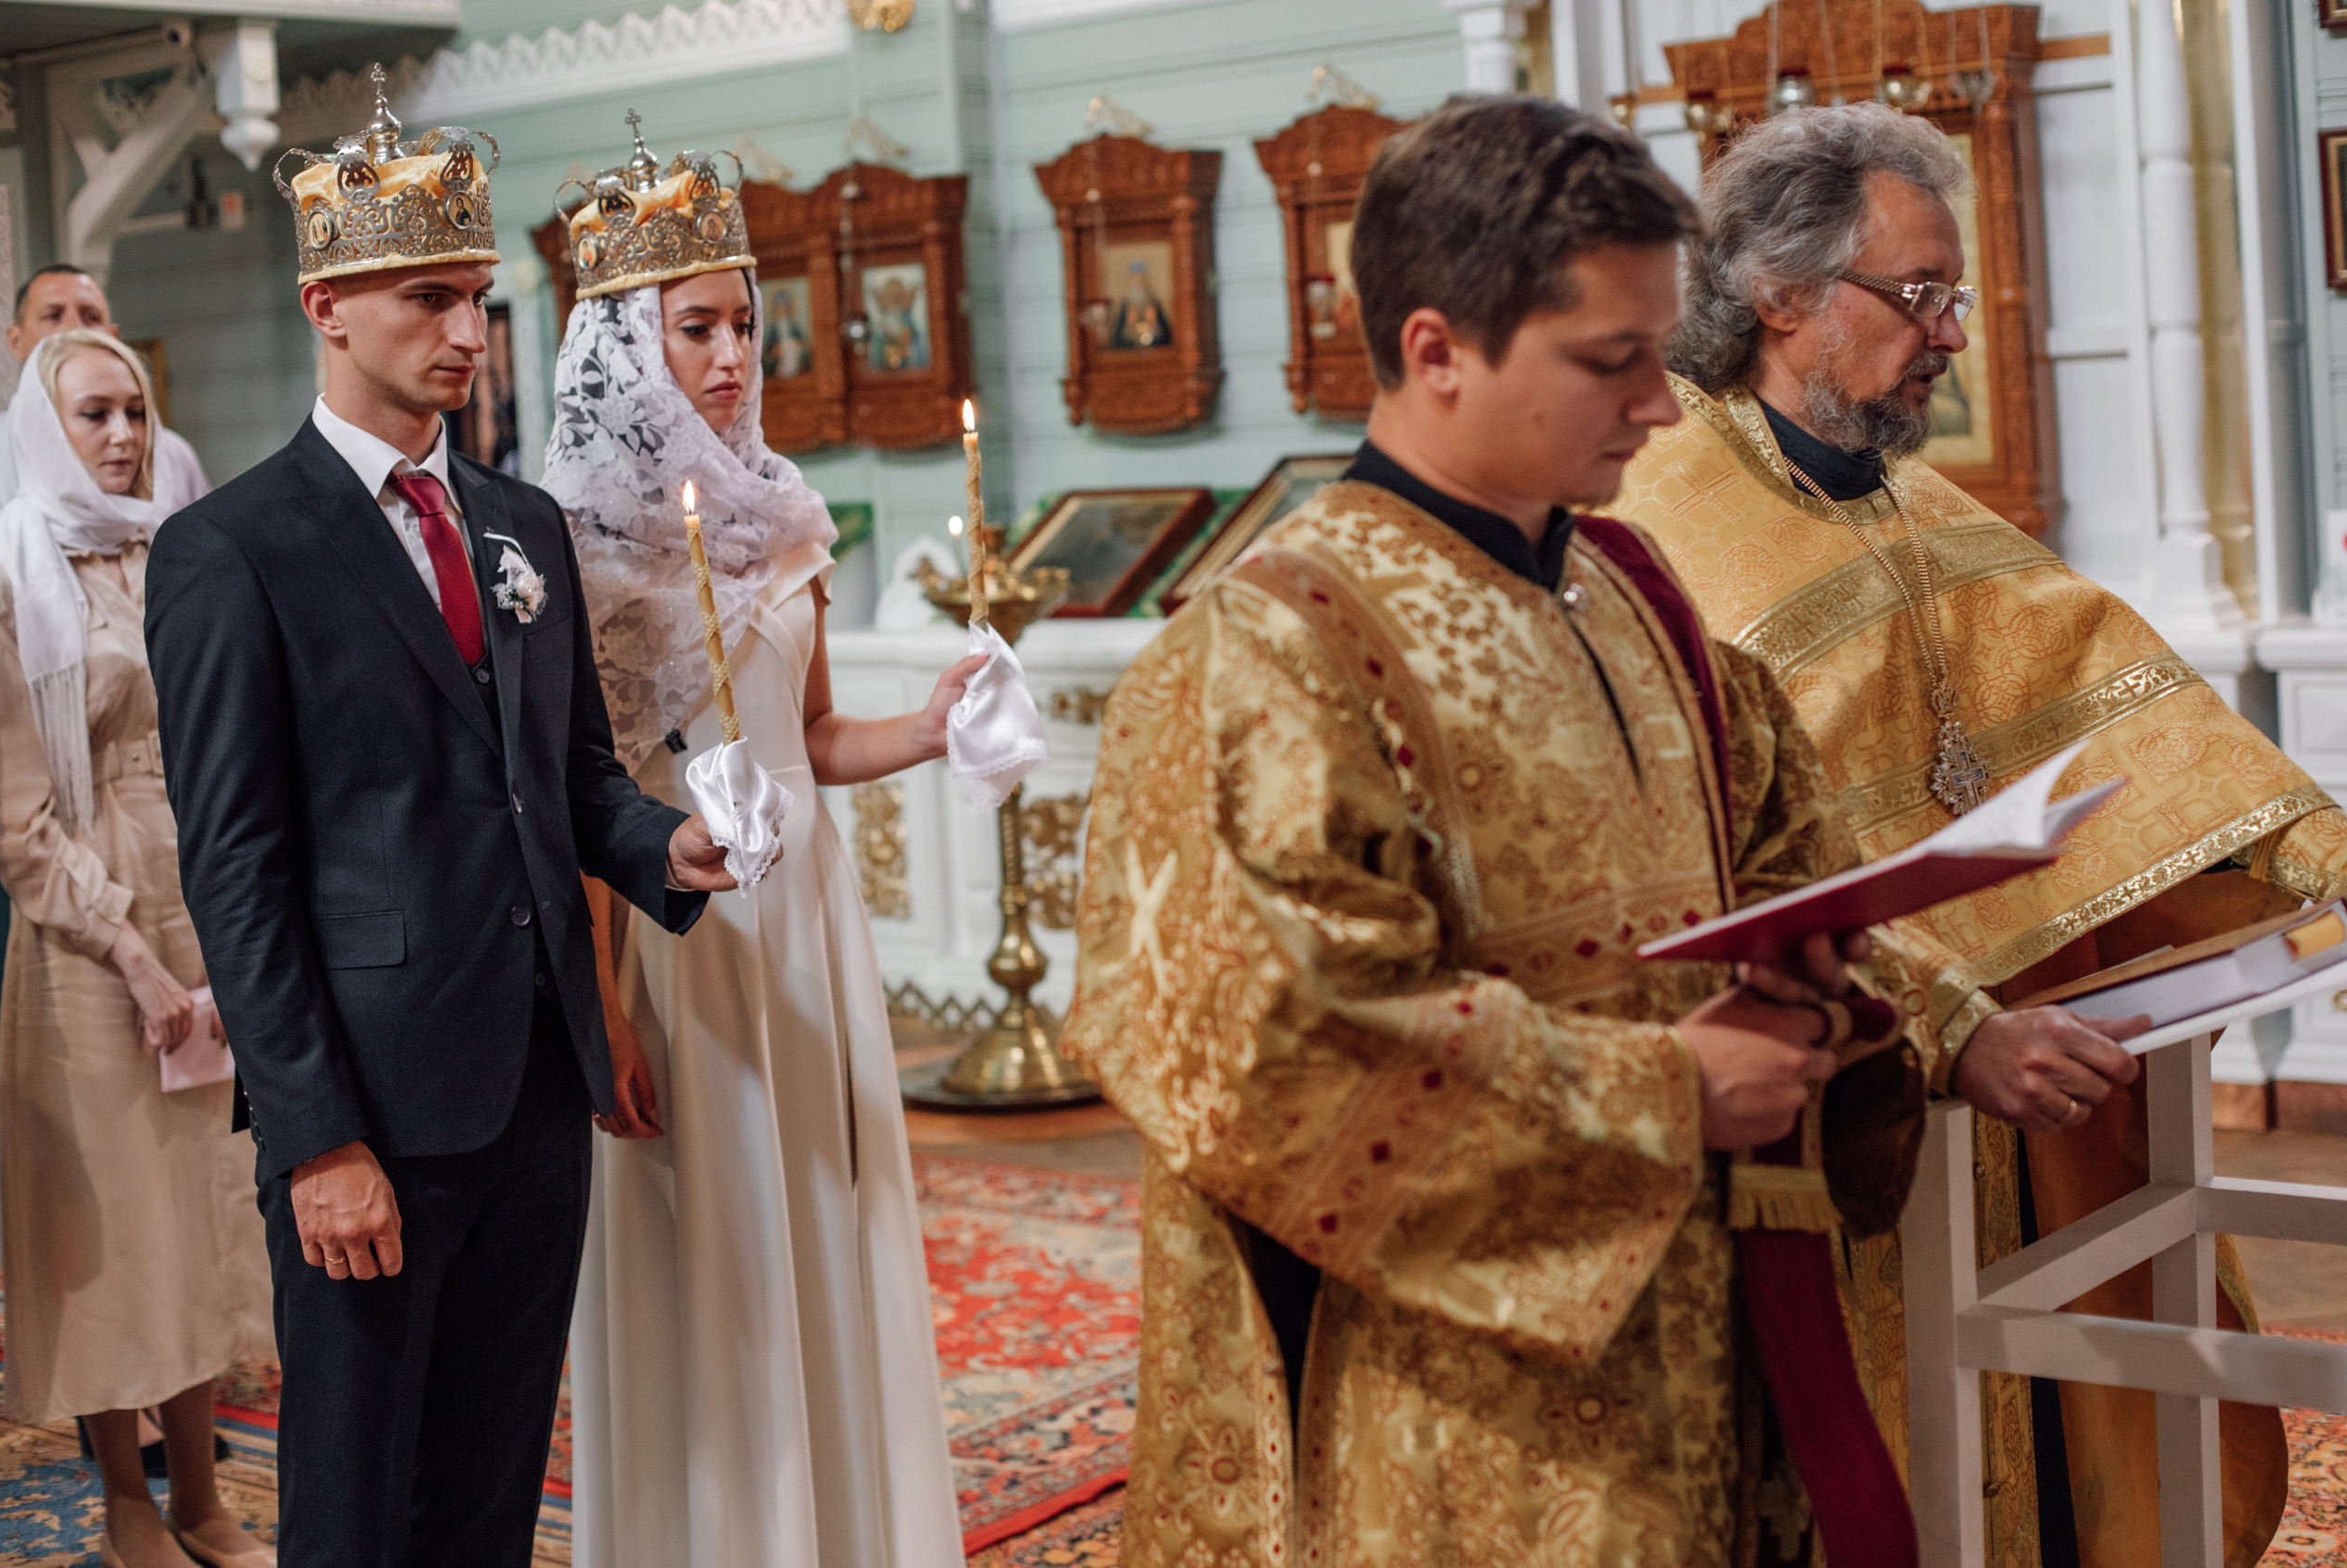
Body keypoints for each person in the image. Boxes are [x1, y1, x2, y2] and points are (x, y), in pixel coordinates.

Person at [1061, 95, 1969, 1566]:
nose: (1666, 406)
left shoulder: (1630, 590)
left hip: (1710, 1327)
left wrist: (1842, 998)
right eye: (1613, 363)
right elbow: (1272, 1052)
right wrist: (1670, 1087)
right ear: (1436, 351)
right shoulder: (1268, 649)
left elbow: (1787, 855)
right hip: (1452, 1416)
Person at [1611, 101, 2347, 1568]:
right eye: (1917, 296)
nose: (1951, 332)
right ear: (1778, 296)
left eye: (1950, 295)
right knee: (1887, 1453)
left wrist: (2314, 853)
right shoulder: (1662, 514)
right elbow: (1723, 842)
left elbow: (2109, 691)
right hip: (1836, 1083)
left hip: (2026, 1060)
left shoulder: (1904, 492)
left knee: (2049, 1395)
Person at [143, 81, 735, 1568]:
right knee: (355, 1493)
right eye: (430, 300)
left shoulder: (519, 526)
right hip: (372, 1103)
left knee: (488, 1477)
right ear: (326, 307)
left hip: (537, 1080)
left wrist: (665, 848)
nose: (469, 334)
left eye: (477, 299)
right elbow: (237, 865)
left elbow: (573, 775)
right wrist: (316, 1135)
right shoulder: (232, 550)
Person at [545, 116, 978, 1568]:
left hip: (809, 924)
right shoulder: (581, 545)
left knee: (827, 1215)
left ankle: (846, 1531)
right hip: (679, 940)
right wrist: (603, 1005)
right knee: (711, 1247)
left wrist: (929, 725)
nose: (732, 355)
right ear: (623, 339)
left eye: (743, 323)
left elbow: (817, 742)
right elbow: (581, 793)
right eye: (695, 327)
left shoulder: (785, 516)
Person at [0, 330, 274, 1568]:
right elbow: (17, 820)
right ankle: (123, 1496)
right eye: (96, 414)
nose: (122, 435)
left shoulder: (177, 548)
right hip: (88, 934)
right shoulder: (12, 569)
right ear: (49, 428)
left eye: (136, 412)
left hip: (201, 889)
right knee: (114, 1226)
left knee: (205, 1212)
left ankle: (203, 1493)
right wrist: (136, 955)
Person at [0, 265, 210, 509]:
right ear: (16, 342)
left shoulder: (173, 456)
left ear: (113, 336)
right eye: (53, 316)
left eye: (91, 317)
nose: (74, 329)